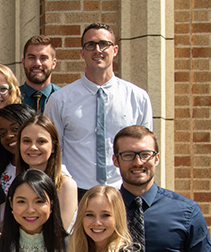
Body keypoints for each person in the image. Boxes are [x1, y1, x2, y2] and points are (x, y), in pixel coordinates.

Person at [45, 23, 153, 193]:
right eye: (90, 45)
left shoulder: (137, 98)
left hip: (123, 190)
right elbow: (54, 152)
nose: (97, 50)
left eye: (104, 44)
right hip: (76, 192)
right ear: (82, 53)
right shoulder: (60, 100)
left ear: (115, 50)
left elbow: (145, 151)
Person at [17, 114, 79, 232]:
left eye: (41, 141)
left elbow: (59, 233)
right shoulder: (19, 181)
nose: (33, 147)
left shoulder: (65, 185)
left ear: (54, 147)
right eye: (26, 141)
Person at [20, 35, 60, 113]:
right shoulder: (11, 98)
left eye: (43, 58)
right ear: (23, 62)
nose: (37, 63)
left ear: (53, 63)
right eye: (32, 57)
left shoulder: (64, 99)